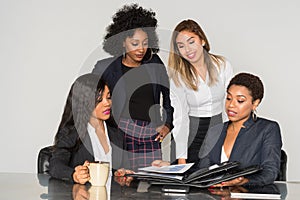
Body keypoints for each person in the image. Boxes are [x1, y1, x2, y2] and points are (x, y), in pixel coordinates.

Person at [153, 72, 282, 187]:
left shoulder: (268, 129)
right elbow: (202, 169)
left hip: (246, 194)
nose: (231, 105)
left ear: (255, 103)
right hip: (215, 194)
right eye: (229, 98)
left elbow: (270, 172)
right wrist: (170, 167)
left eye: (240, 100)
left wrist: (244, 181)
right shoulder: (216, 130)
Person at [92, 4, 174, 170]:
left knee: (153, 185)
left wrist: (167, 124)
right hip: (120, 133)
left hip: (150, 132)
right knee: (122, 185)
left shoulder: (154, 63)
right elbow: (91, 99)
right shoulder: (105, 68)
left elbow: (167, 97)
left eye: (144, 43)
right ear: (123, 42)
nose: (141, 49)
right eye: (134, 43)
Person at [168, 19, 233, 164]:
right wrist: (181, 157)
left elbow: (230, 103)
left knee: (215, 179)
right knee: (187, 180)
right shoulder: (177, 76)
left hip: (217, 127)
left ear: (202, 40)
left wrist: (231, 137)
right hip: (190, 132)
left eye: (192, 42)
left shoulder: (222, 65)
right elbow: (181, 116)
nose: (188, 49)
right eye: (181, 46)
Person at [49, 73, 132, 185]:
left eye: (108, 97)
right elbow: (55, 166)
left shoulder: (117, 133)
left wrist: (124, 174)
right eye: (99, 100)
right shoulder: (70, 133)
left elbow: (124, 169)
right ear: (84, 102)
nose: (107, 103)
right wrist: (74, 175)